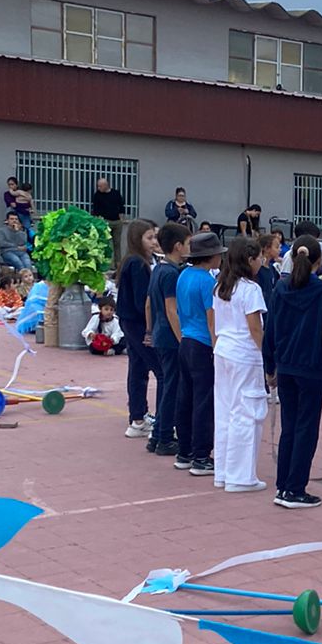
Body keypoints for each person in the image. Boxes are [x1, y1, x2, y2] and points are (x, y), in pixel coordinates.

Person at [265, 236, 322, 508]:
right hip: (312, 368)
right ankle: (295, 488)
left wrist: (269, 366)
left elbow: (270, 330)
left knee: (289, 427)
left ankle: (284, 486)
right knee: (306, 428)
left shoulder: (281, 288)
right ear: (319, 260)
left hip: (286, 365)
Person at [212, 236, 268, 493]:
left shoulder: (220, 286)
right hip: (245, 354)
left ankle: (223, 472)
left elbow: (215, 323)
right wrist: (267, 356)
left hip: (224, 350)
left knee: (225, 411)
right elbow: (255, 328)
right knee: (247, 413)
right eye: (259, 257)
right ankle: (241, 477)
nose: (261, 262)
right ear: (249, 259)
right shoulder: (250, 289)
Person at [173, 230, 221, 477]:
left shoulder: (183, 275)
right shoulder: (207, 282)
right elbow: (212, 319)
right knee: (204, 400)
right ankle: (201, 455)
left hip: (186, 339)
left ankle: (185, 451)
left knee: (186, 396)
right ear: (210, 256)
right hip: (202, 343)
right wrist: (216, 347)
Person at [147, 223, 190, 458]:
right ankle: (164, 437)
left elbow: (149, 304)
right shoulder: (171, 273)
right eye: (188, 243)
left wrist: (150, 329)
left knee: (167, 385)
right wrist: (182, 340)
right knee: (172, 388)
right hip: (170, 336)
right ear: (178, 246)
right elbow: (171, 309)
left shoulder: (158, 269)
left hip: (160, 333)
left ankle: (157, 435)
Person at [117, 219, 160, 439]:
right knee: (159, 370)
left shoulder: (138, 261)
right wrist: (150, 328)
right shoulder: (137, 263)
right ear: (137, 239)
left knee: (138, 368)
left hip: (131, 321)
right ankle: (155, 421)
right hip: (137, 323)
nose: (154, 242)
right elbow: (142, 301)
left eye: (155, 237)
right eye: (149, 238)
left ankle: (138, 418)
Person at [92, 176, 127, 261]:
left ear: (106, 185)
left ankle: (118, 263)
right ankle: (108, 263)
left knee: (117, 243)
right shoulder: (97, 195)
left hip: (117, 221)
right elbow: (95, 209)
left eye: (100, 186)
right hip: (105, 221)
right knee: (106, 244)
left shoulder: (115, 193)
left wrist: (122, 219)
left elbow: (121, 206)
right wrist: (99, 219)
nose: (98, 188)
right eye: (98, 186)